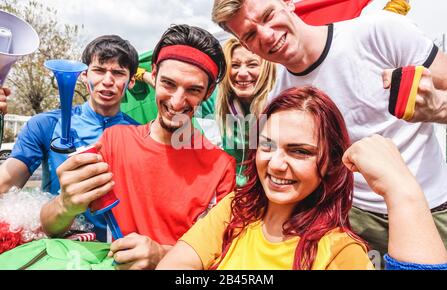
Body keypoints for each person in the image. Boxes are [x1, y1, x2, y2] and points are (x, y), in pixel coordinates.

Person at [211, 0, 447, 262]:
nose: (266, 35)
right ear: (244, 45)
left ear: (288, 3)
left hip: (432, 209)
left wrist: (438, 108)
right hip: (352, 223)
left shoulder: (382, 32)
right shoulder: (280, 100)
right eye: (250, 35)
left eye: (268, 16)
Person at [157, 87, 447, 270]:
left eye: (300, 152)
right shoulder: (236, 208)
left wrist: (402, 190)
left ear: (331, 163)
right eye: (267, 145)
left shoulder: (340, 251)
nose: (276, 163)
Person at [40, 24, 236, 270]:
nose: (176, 101)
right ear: (153, 74)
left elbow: (221, 252)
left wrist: (161, 254)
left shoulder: (221, 166)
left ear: (208, 93)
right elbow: (50, 227)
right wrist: (65, 204)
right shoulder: (115, 140)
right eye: (168, 84)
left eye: (193, 90)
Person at [0, 35, 140, 241]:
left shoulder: (141, 133)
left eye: (118, 73)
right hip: (58, 250)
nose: (108, 81)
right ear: (84, 75)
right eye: (99, 70)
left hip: (118, 252)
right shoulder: (44, 124)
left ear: (131, 81)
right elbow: (4, 186)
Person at [214, 38, 276, 185]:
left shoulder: (280, 105)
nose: (242, 73)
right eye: (235, 65)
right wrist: (147, 73)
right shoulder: (217, 99)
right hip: (232, 192)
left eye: (252, 64)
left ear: (266, 69)